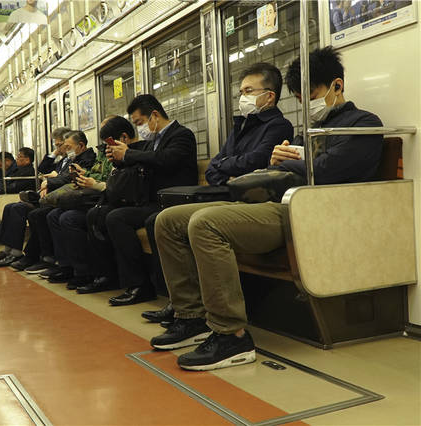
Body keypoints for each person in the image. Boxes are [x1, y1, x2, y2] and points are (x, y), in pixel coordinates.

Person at [150, 47, 383, 371]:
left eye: (310, 95)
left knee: (205, 223)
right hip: (277, 202)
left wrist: (291, 162)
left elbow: (327, 170)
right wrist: (282, 163)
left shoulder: (363, 124)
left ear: (337, 85)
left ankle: (231, 335)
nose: (306, 105)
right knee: (168, 221)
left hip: (309, 212)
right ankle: (191, 317)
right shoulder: (305, 132)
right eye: (300, 99)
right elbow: (290, 168)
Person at [142, 62, 293, 324]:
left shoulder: (279, 126)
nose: (242, 97)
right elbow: (214, 167)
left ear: (269, 96)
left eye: (249, 91)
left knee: (200, 223)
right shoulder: (240, 126)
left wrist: (228, 167)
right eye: (241, 92)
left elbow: (257, 162)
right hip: (225, 193)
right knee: (162, 220)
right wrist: (230, 170)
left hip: (252, 200)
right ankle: (185, 309)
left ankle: (222, 323)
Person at [98, 94, 198, 306]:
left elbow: (166, 160)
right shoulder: (152, 142)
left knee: (153, 222)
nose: (140, 128)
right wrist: (119, 159)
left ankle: (171, 293)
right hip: (153, 201)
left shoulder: (182, 135)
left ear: (154, 115)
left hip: (175, 200)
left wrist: (128, 154)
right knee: (114, 217)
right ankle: (138, 284)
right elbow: (140, 163)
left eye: (139, 122)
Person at [44, 116, 138, 291]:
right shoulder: (105, 153)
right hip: (101, 196)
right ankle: (68, 266)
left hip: (108, 198)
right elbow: (102, 175)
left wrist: (94, 183)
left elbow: (111, 181)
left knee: (72, 218)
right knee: (54, 215)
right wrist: (85, 175)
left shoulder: (129, 154)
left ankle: (89, 272)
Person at [0, 131, 95, 268]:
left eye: (63, 145)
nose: (61, 148)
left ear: (80, 145)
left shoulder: (84, 159)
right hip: (52, 195)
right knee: (11, 207)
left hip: (62, 197)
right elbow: (42, 169)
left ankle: (35, 255)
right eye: (58, 145)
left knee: (34, 213)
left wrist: (50, 182)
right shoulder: (64, 160)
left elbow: (68, 178)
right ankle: (9, 249)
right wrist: (54, 155)